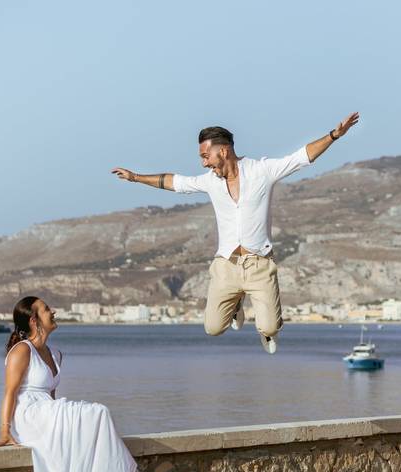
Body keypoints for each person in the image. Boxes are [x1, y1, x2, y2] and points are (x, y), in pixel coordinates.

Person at [112, 112, 360, 354]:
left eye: (205, 156)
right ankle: (235, 306)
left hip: (258, 265)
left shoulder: (262, 171)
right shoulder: (210, 181)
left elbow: (301, 157)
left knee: (270, 325)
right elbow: (174, 182)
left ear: (223, 151)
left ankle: (268, 330)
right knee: (212, 328)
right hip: (226, 266)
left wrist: (334, 135)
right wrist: (135, 177)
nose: (204, 162)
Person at [0, 296, 161, 472]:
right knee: (99, 413)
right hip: (30, 415)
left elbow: (54, 399)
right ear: (34, 320)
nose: (53, 311)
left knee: (96, 417)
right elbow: (10, 393)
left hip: (48, 412)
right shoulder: (22, 351)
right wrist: (4, 431)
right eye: (47, 309)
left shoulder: (56, 354)